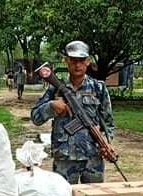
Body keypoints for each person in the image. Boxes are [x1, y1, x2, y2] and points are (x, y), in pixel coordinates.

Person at [30, 40, 114, 184]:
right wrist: (51, 106)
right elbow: (35, 118)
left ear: (88, 62)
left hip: (92, 159)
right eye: (73, 60)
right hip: (64, 159)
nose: (77, 65)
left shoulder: (98, 88)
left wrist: (106, 143)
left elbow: (108, 123)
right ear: (66, 61)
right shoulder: (55, 88)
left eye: (81, 60)